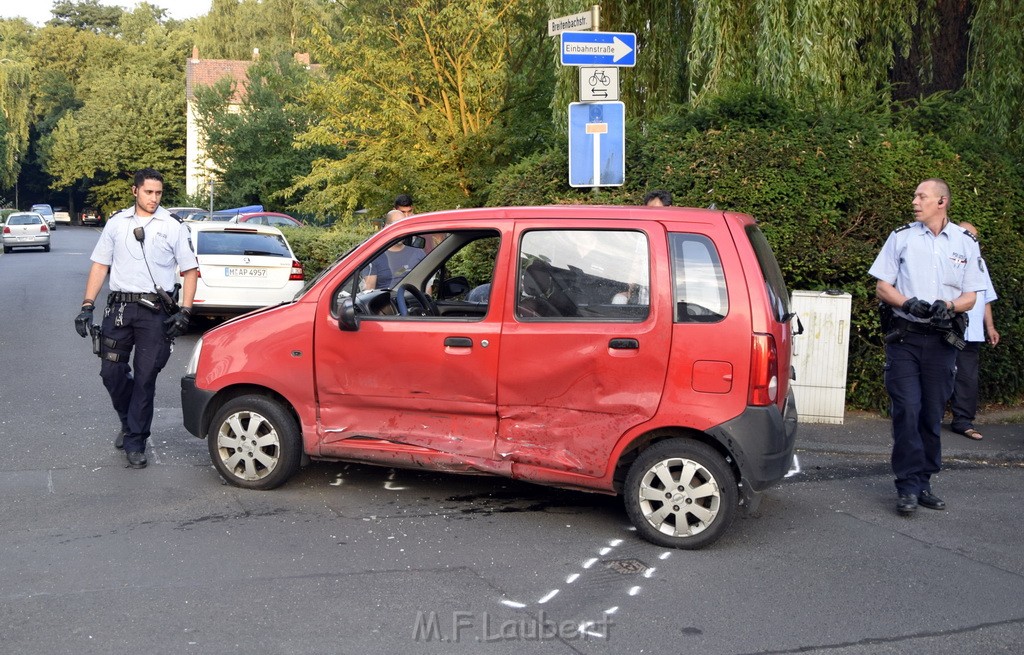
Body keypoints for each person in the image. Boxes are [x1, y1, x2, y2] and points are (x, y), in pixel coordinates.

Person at [869, 178, 985, 516]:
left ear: (942, 202)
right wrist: (909, 303)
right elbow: (881, 287)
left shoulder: (965, 242)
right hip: (905, 339)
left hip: (941, 341)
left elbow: (971, 295)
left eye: (922, 196)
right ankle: (906, 486)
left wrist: (949, 307)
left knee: (932, 413)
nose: (915, 201)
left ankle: (924, 481)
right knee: (908, 409)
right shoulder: (901, 237)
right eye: (915, 195)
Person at [74, 168, 199, 469]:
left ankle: (135, 440)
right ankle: (128, 419)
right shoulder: (117, 224)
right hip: (119, 310)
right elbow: (100, 265)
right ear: (135, 191)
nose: (154, 198)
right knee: (111, 373)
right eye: (148, 192)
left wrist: (185, 311)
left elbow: (190, 271)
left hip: (155, 314)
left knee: (145, 379)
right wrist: (87, 305)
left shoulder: (172, 226)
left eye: (158, 193)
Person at [949, 222, 999, 440]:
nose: (971, 239)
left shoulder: (980, 264)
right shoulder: (946, 258)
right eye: (967, 235)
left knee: (967, 377)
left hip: (973, 333)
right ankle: (923, 417)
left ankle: (963, 421)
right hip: (948, 330)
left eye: (974, 237)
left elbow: (985, 297)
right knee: (938, 371)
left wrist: (990, 327)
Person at [363, 209, 425, 290]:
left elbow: (426, 288)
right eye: (397, 225)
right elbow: (369, 292)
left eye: (403, 226)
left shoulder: (418, 254)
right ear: (386, 227)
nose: (401, 230)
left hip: (413, 301)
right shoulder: (374, 257)